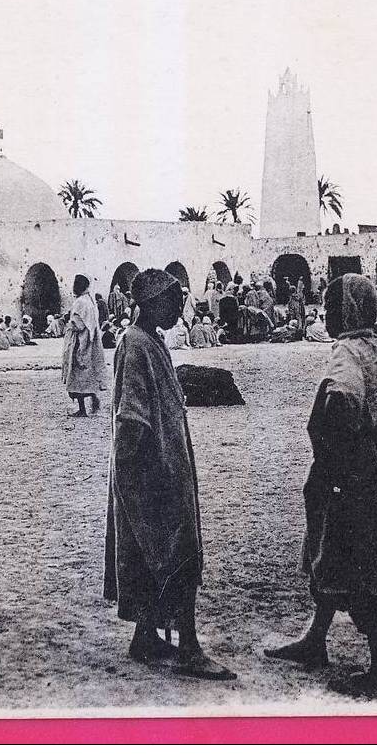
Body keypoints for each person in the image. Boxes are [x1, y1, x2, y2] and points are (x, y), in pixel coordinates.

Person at [265, 274, 377, 699]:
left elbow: (342, 399)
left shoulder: (347, 352)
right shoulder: (374, 345)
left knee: (361, 568)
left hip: (356, 482)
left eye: (331, 307)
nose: (325, 314)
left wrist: (342, 451)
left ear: (346, 311)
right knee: (332, 556)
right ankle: (316, 640)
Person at [104, 267, 236, 680]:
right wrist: (132, 477)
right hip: (152, 471)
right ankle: (189, 649)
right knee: (176, 552)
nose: (178, 308)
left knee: (153, 550)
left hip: (163, 464)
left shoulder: (149, 341)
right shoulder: (137, 345)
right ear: (151, 303)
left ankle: (145, 635)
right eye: (171, 301)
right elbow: (131, 417)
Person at [62, 275, 107, 416]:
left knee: (77, 374)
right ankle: (93, 397)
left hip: (80, 342)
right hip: (91, 342)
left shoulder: (80, 302)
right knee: (88, 373)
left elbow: (78, 324)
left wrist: (68, 323)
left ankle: (82, 409)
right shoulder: (90, 301)